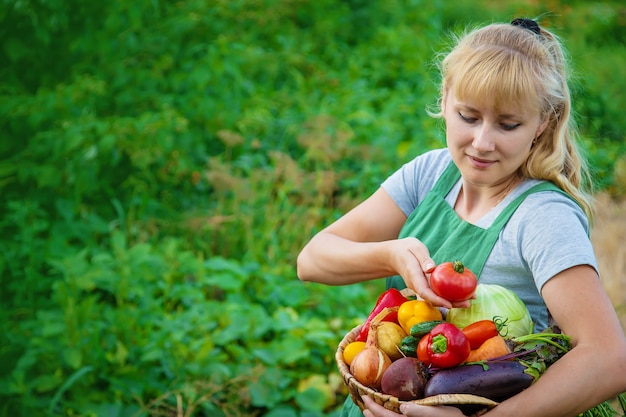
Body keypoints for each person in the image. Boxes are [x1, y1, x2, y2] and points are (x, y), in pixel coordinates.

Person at [296, 18, 626, 417]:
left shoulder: (542, 217)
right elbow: (312, 260)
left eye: (508, 124)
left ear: (543, 123)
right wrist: (391, 255)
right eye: (469, 117)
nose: (482, 143)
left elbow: (609, 358)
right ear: (445, 97)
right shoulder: (430, 174)